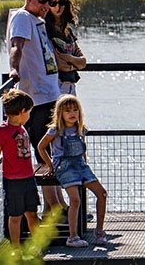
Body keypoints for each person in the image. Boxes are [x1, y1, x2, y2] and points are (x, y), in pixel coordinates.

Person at [7, 0, 65, 211]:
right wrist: (14, 69)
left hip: (51, 94)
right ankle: (53, 209)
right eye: (42, 0)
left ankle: (60, 205)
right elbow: (16, 45)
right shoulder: (22, 17)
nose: (46, 6)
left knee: (54, 151)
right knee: (45, 155)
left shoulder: (36, 20)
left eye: (50, 1)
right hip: (37, 97)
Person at [37, 94, 109, 248]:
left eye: (75, 110)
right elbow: (41, 147)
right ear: (60, 113)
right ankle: (73, 237)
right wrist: (50, 165)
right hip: (64, 165)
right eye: (68, 111)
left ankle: (99, 231)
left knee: (102, 193)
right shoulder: (55, 130)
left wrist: (85, 164)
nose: (72, 114)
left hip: (80, 165)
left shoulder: (80, 129)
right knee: (75, 199)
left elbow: (82, 150)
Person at [0, 89, 41, 246]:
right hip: (13, 181)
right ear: (22, 111)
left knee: (32, 213)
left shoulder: (22, 127)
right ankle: (16, 248)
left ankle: (38, 245)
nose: (29, 116)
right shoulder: (2, 131)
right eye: (29, 112)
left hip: (28, 177)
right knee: (15, 215)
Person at [46, 0, 87, 96]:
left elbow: (83, 62)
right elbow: (59, 64)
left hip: (71, 86)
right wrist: (74, 64)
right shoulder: (46, 29)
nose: (58, 7)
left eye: (62, 3)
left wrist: (68, 58)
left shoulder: (67, 31)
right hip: (56, 86)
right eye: (53, 3)